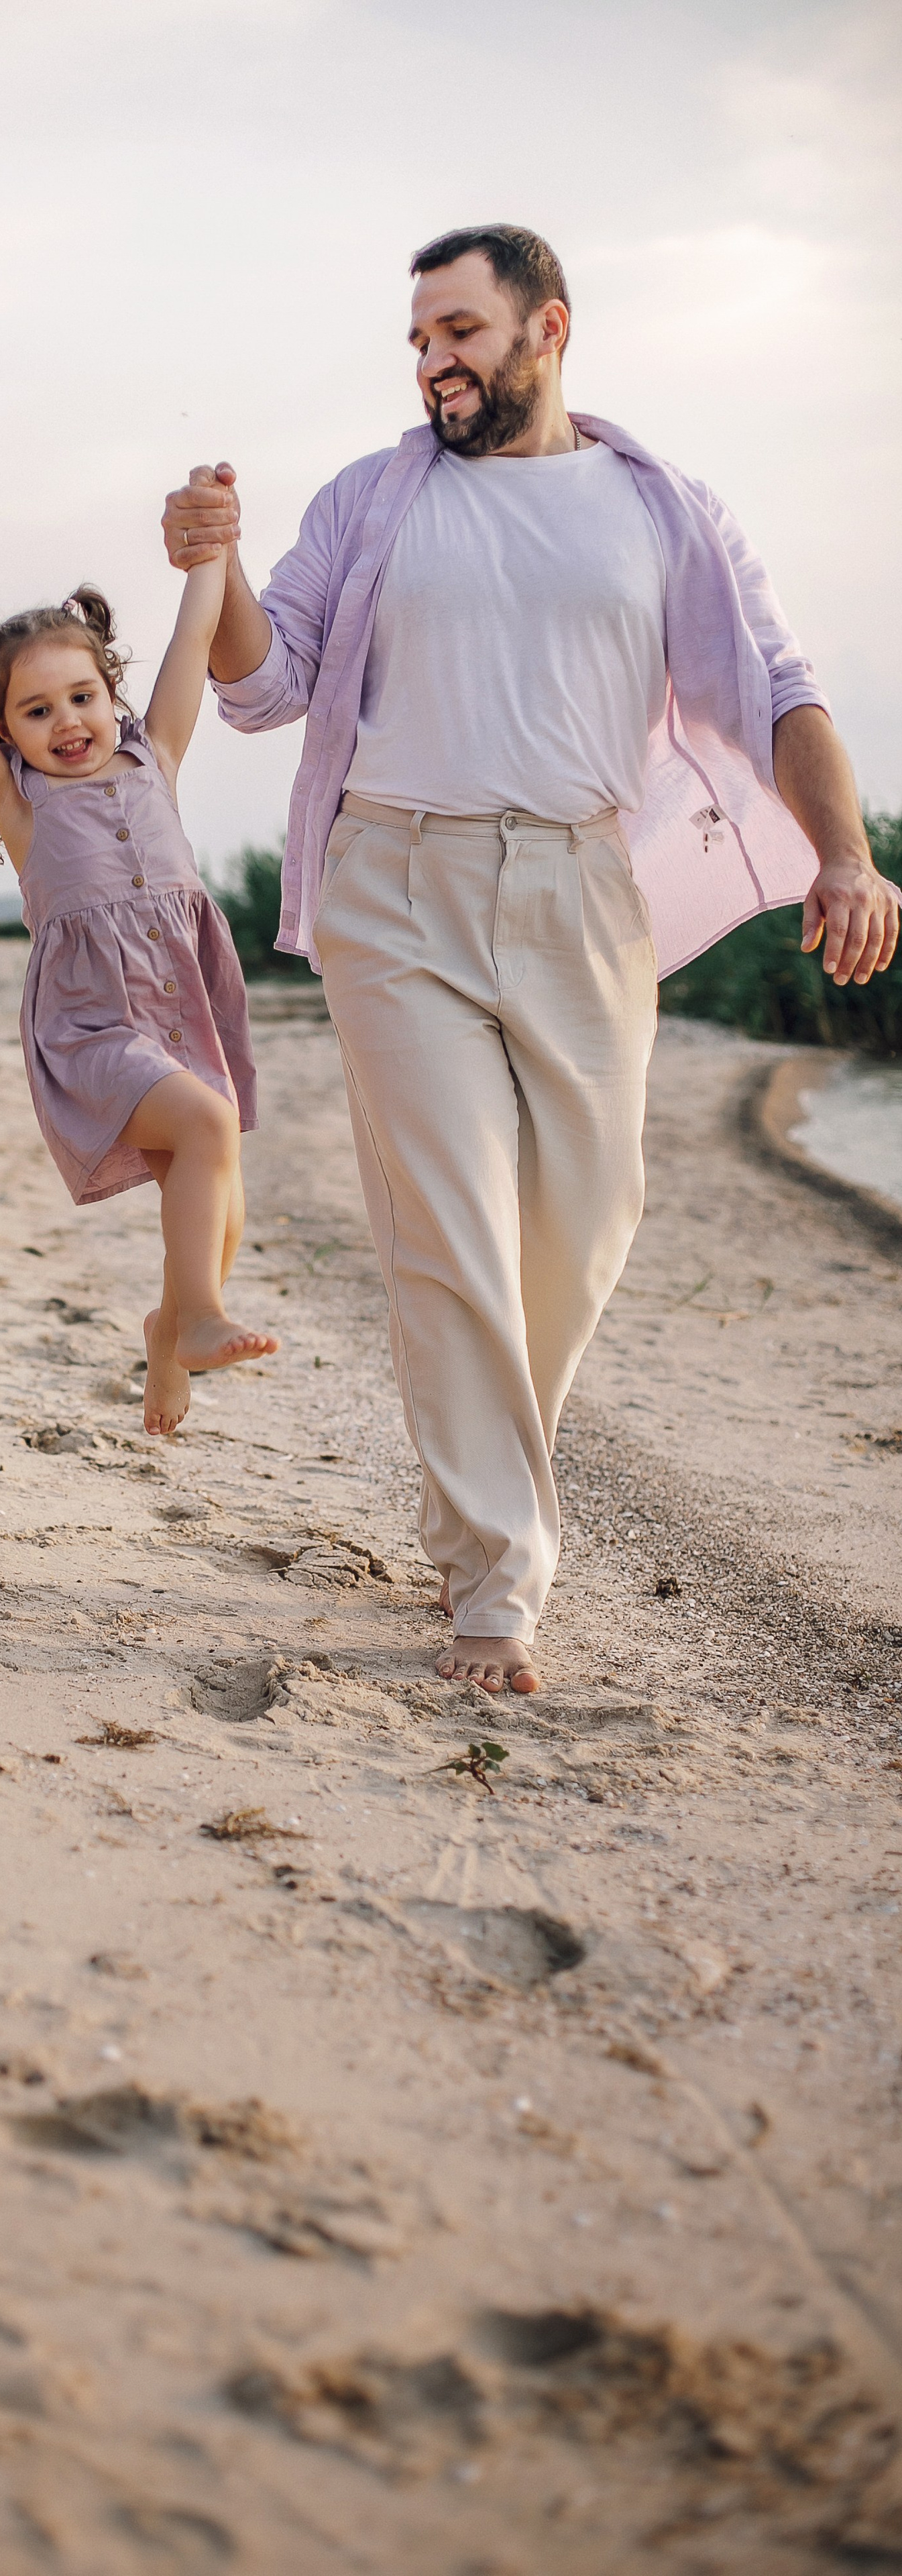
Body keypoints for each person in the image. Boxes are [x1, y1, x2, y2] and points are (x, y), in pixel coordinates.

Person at [163, 222, 899, 1695]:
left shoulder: (662, 510)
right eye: (418, 339)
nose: (434, 360)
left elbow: (777, 691)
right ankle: (496, 1581)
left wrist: (843, 852)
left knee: (582, 1224)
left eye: (460, 331)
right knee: (447, 1229)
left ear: (545, 328)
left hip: (577, 889)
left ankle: (473, 1492)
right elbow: (267, 683)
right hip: (396, 882)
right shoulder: (373, 501)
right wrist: (219, 568)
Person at [0, 523, 274, 1434]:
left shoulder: (155, 755)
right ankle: (194, 1316)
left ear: (111, 694)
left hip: (181, 1006)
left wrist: (212, 554)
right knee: (205, 1125)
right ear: (3, 729)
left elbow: (195, 641)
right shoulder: (19, 801)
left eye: (82, 697)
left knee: (214, 1183)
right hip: (93, 1026)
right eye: (36, 712)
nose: (67, 722)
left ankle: (169, 1330)